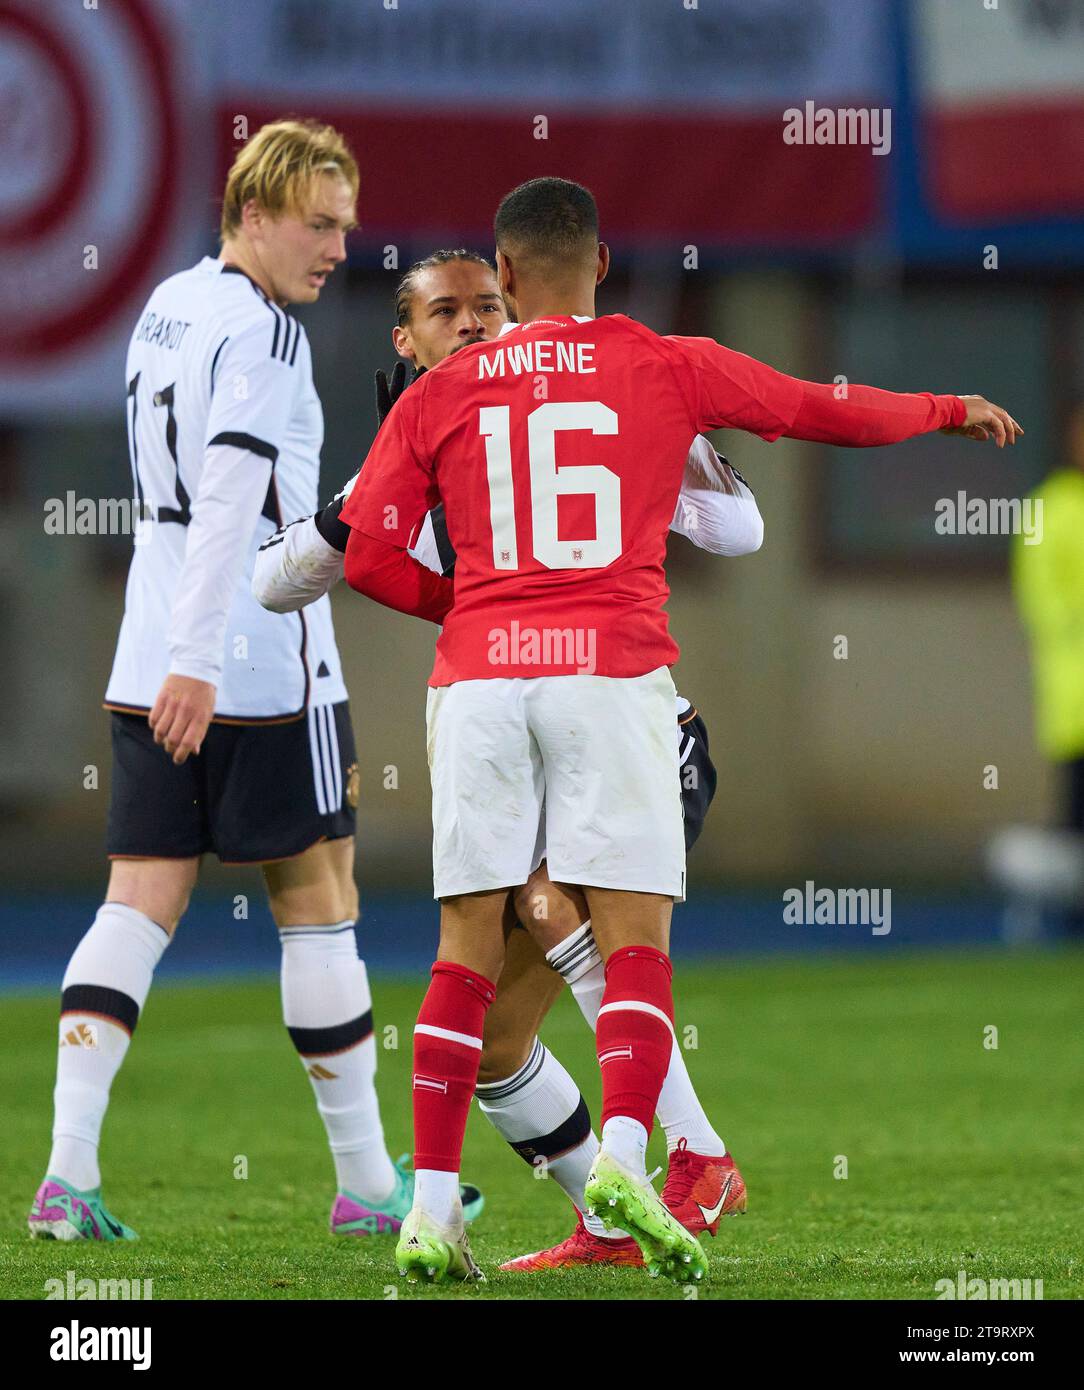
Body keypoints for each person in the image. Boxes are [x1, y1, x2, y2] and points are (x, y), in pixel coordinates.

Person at [340, 177, 1021, 1284]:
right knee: (631, 935)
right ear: (600, 265)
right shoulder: (664, 362)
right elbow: (820, 407)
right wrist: (943, 408)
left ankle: (425, 1208)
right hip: (609, 673)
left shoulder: (445, 387)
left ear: (502, 278)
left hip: (479, 681)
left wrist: (466, 606)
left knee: (464, 949)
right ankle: (626, 1155)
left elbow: (366, 554)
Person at [253, 247, 759, 1270]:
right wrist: (355, 515)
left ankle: (695, 1154)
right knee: (490, 1046)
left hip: (634, 737)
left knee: (539, 901)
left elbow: (741, 527)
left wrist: (663, 460)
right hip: (521, 758)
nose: (475, 324)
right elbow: (276, 580)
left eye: (489, 304)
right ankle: (613, 1218)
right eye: (447, 313)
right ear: (406, 340)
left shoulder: (599, 399)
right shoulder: (412, 448)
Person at [27, 120, 482, 1246]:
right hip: (257, 657)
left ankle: (65, 1175)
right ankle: (369, 1182)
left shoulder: (167, 305)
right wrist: (203, 658)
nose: (337, 248)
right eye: (320, 225)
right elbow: (232, 495)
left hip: (148, 649)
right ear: (257, 213)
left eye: (346, 227)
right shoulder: (269, 335)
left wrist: (173, 655)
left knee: (138, 901)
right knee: (318, 896)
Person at [1012, 399, 1084, 933]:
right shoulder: (1049, 509)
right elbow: (1042, 605)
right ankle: (1061, 923)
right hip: (1075, 699)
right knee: (1075, 827)